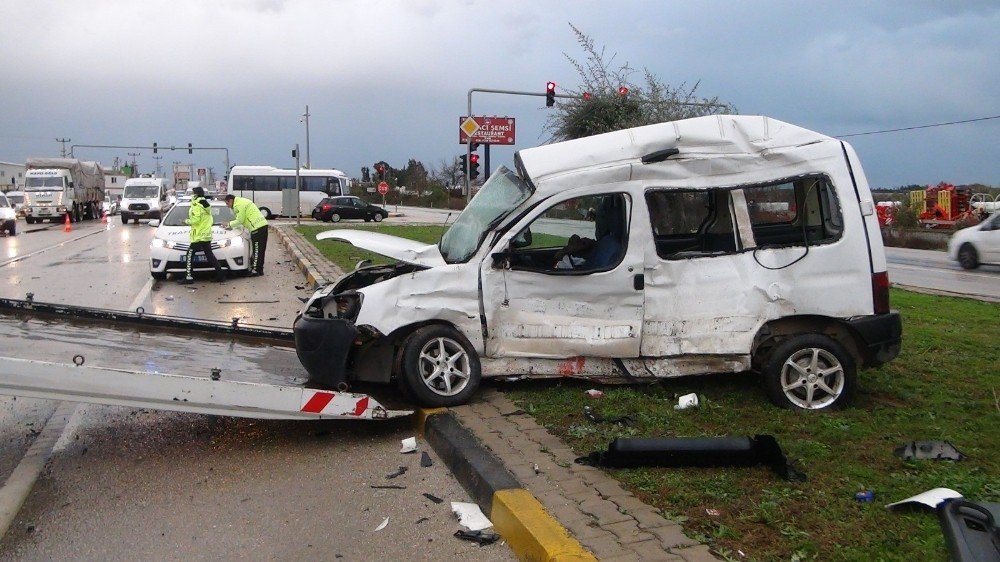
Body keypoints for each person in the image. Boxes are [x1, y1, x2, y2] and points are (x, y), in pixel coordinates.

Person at [179, 186, 225, 284]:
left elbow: (196, 220)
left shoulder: (197, 205)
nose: (191, 194)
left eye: (192, 193)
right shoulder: (205, 204)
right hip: (206, 235)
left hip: (199, 236)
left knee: (189, 255)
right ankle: (220, 275)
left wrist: (185, 221)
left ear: (196, 194)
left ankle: (189, 277)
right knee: (210, 256)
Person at [223, 194, 269, 276]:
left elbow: (240, 220)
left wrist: (229, 224)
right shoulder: (242, 201)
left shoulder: (238, 205)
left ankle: (255, 270)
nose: (227, 206)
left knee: (257, 250)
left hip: (257, 228)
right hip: (263, 225)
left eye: (227, 203)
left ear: (230, 200)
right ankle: (260, 269)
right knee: (261, 249)